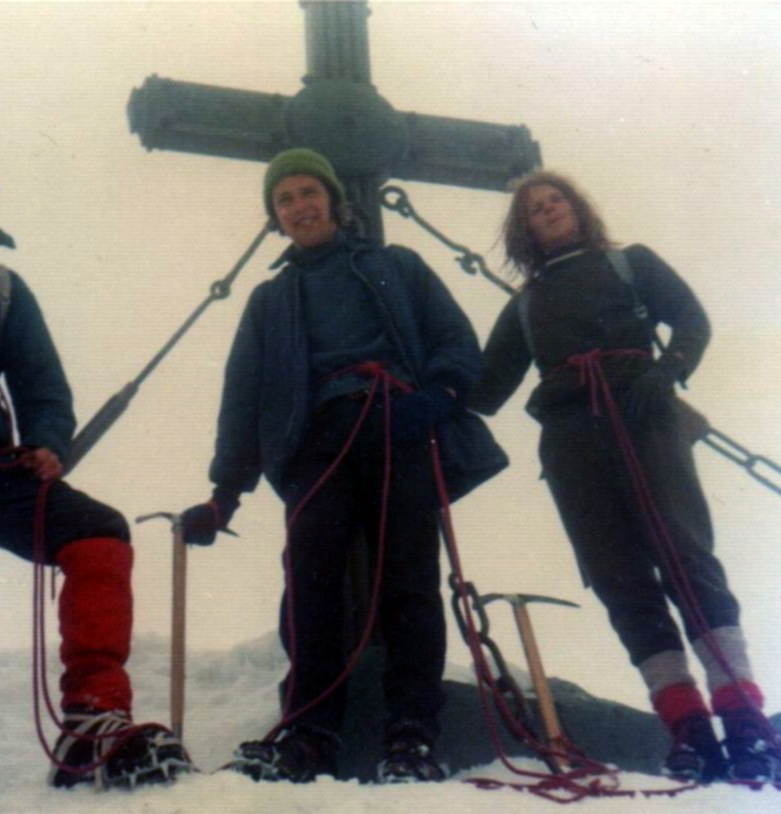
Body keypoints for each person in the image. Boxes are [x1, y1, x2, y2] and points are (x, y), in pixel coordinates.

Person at [181, 148, 506, 784]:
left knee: (410, 578)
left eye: (308, 193)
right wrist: (226, 491)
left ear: (333, 200)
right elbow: (242, 396)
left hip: (397, 424)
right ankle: (309, 733)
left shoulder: (397, 266)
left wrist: (437, 396)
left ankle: (412, 733)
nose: (299, 206)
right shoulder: (269, 300)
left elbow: (454, 338)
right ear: (276, 218)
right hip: (313, 443)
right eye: (285, 200)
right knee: (309, 580)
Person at [468, 170, 781, 786]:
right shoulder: (525, 306)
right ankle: (690, 731)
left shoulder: (630, 263)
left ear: (576, 207)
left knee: (686, 556)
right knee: (619, 578)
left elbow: (691, 319)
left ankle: (746, 724)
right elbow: (485, 389)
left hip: (646, 418)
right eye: (535, 211)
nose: (548, 211)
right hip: (571, 441)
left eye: (554, 201)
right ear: (525, 231)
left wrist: (666, 370)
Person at [0, 120, 191, 790]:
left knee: (96, 531)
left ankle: (92, 717)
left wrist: (47, 442)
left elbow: (41, 379)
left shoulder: (2, 287)